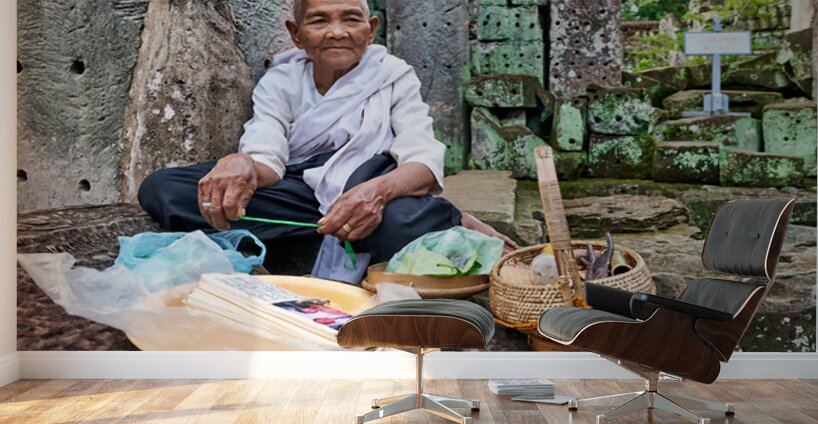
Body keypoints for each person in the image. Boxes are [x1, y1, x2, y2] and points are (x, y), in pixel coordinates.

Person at [139, 0, 515, 283]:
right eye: (319, 20)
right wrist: (240, 163)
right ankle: (358, 223)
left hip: (371, 185)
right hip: (300, 190)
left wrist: (375, 195)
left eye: (350, 19)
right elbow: (268, 159)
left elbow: (421, 158)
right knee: (165, 189)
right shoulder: (281, 81)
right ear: (295, 33)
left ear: (371, 29)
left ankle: (432, 218)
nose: (336, 32)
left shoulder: (394, 76)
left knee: (395, 222)